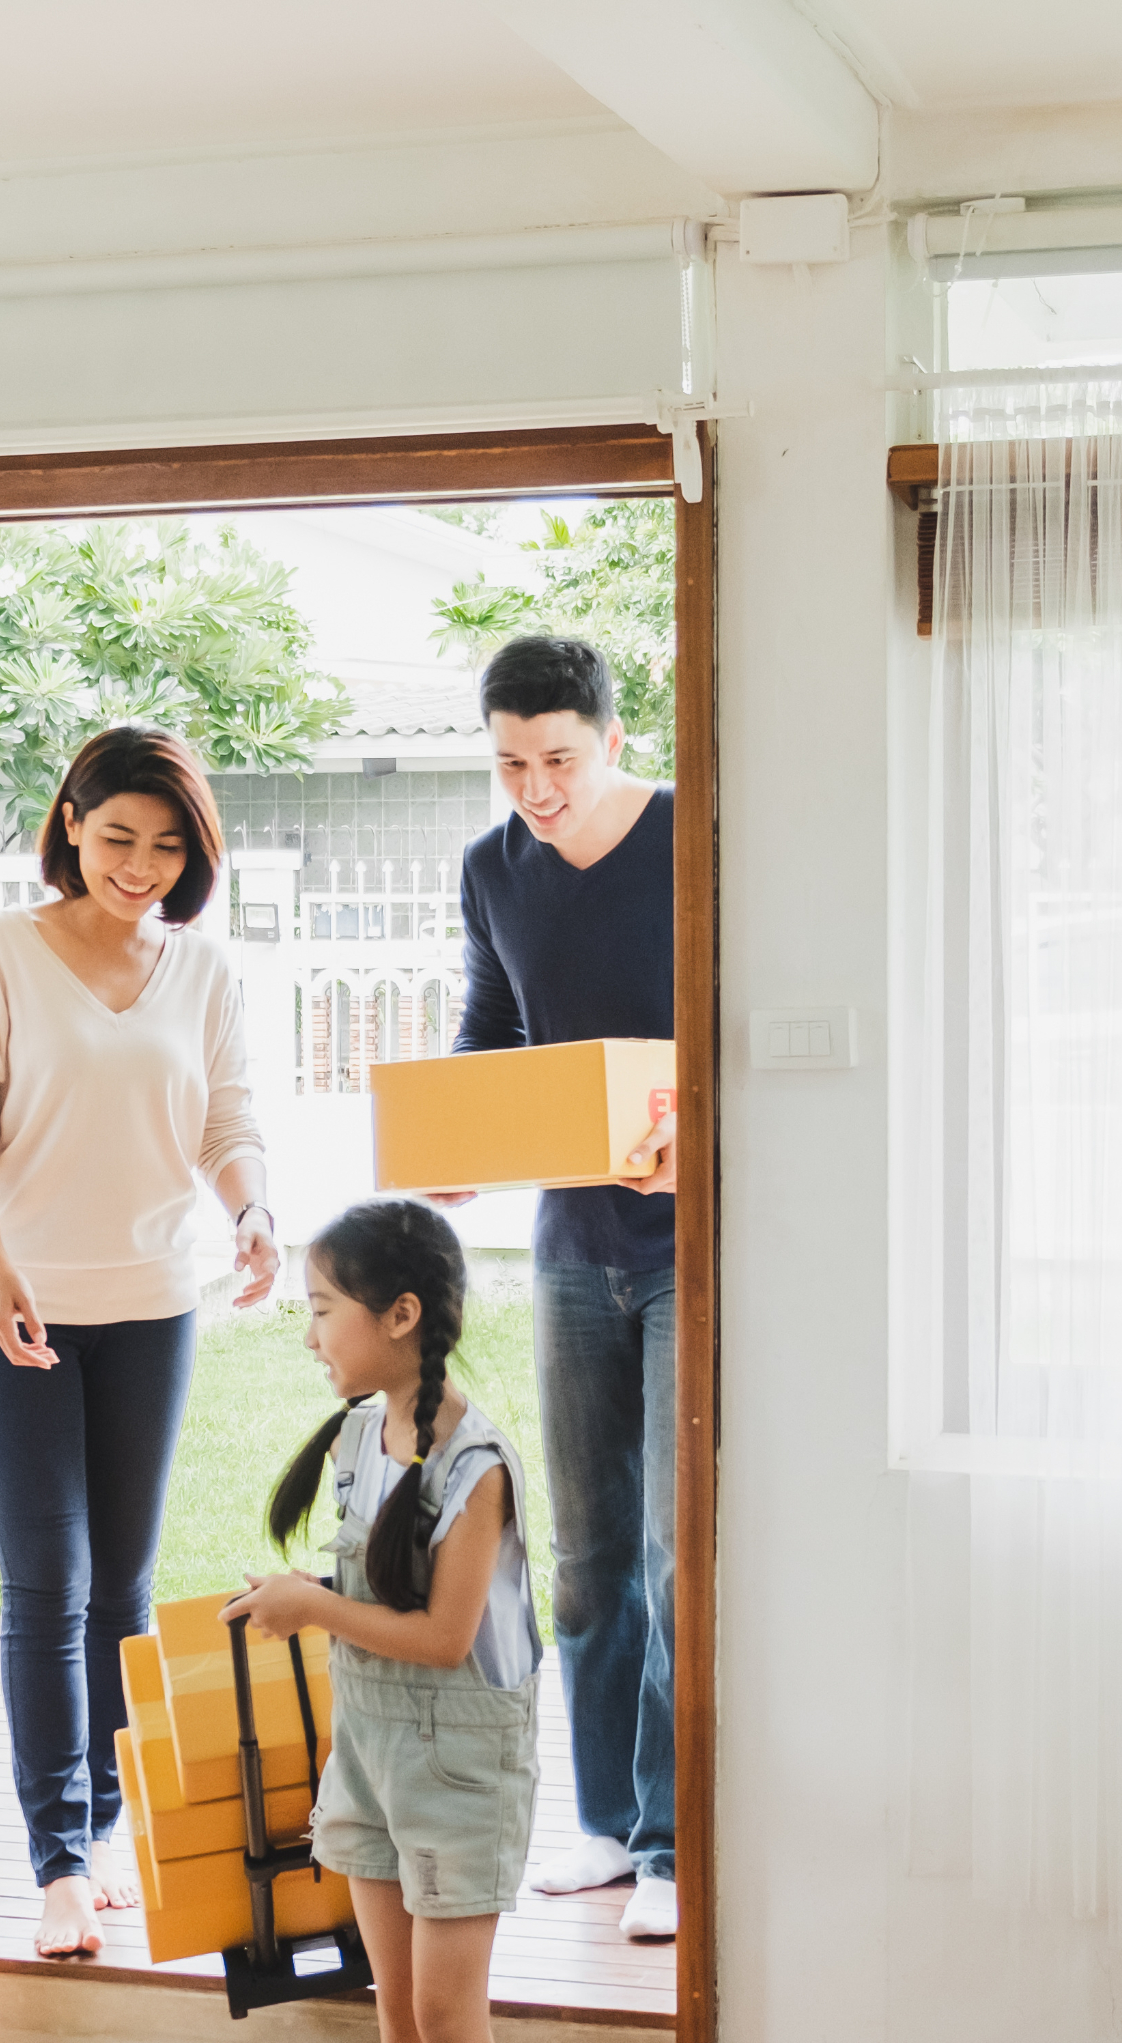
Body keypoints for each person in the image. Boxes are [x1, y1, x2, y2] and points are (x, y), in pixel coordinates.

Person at [0, 724, 279, 1960]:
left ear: (192, 855)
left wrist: (250, 1211)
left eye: (166, 845)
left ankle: (107, 1817)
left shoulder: (202, 971)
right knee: (48, 1582)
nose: (138, 866)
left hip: (151, 1297)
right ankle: (58, 1861)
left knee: (125, 1584)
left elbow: (227, 1117)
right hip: (15, 1306)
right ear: (71, 824)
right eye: (117, 838)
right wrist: (0, 1267)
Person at [230, 1200, 536, 2043]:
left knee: (451, 2015)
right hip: (369, 1750)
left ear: (399, 1316)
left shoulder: (477, 1463)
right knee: (401, 2005)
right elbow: (370, 1595)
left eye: (323, 1310)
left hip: (461, 1760)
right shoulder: (363, 1432)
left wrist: (312, 1608)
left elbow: (447, 1635)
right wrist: (294, 1596)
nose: (311, 1333)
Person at [449, 634, 680, 1943]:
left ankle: (667, 1836)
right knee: (586, 1554)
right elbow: (493, 1025)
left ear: (611, 736)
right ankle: (599, 1822)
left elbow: (732, 1010)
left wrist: (688, 1122)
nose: (536, 788)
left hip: (684, 1243)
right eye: (510, 765)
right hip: (569, 1248)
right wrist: (461, 1142)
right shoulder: (493, 867)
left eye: (559, 760)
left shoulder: (683, 835)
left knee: (664, 1546)